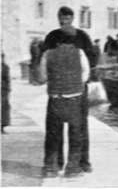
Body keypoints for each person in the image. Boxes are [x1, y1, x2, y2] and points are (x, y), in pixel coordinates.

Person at [41, 6, 94, 174]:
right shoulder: (79, 39)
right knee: (77, 128)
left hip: (60, 90)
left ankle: (64, 164)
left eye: (67, 18)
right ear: (59, 18)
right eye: (62, 18)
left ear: (72, 18)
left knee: (58, 129)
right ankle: (75, 164)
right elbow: (90, 63)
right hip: (76, 89)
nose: (64, 21)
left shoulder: (54, 38)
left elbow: (42, 66)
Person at [39, 42, 89, 178]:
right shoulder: (79, 52)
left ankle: (51, 168)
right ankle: (72, 169)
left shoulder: (47, 54)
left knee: (52, 135)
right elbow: (85, 75)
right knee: (75, 135)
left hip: (55, 99)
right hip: (73, 98)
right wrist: (75, 87)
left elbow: (42, 77)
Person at [2, 53, 11, 134]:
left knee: (4, 108)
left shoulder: (5, 67)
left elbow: (7, 80)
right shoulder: (4, 67)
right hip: (3, 90)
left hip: (3, 90)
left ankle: (2, 127)